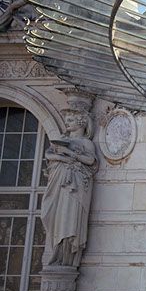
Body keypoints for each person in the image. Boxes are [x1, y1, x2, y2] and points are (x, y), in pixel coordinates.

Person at [42, 108, 97, 268]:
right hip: (58, 184)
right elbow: (49, 154)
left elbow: (90, 161)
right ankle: (56, 254)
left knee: (70, 220)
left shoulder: (86, 143)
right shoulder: (62, 140)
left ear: (81, 122)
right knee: (54, 216)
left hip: (75, 187)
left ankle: (66, 259)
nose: (67, 123)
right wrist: (61, 157)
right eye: (67, 120)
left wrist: (68, 153)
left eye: (70, 120)